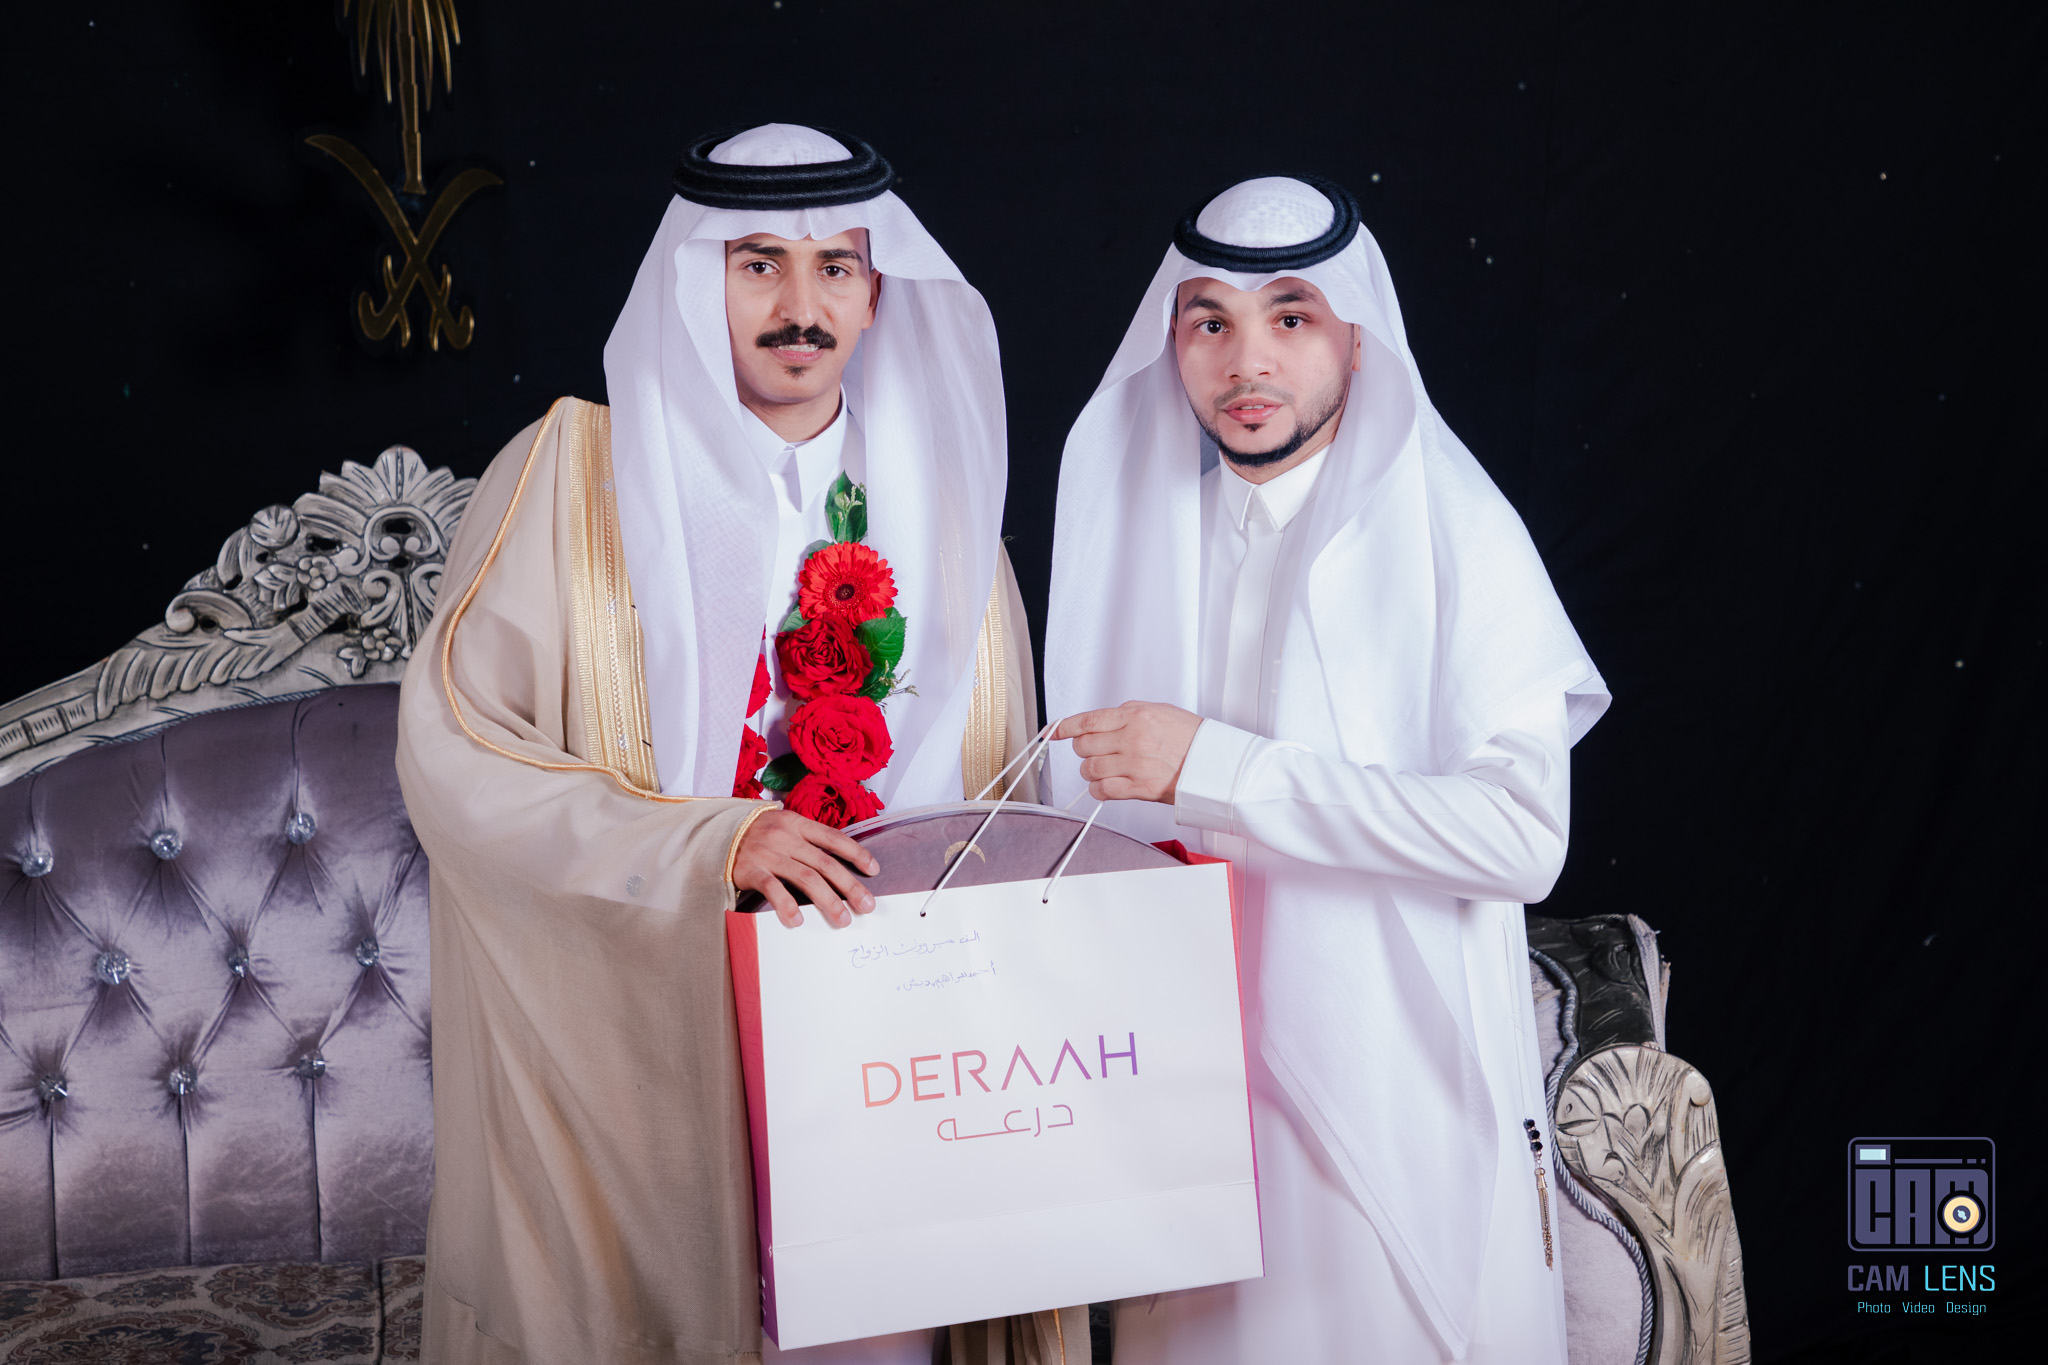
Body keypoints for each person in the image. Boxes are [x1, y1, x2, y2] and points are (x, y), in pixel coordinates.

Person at [397, 124, 1055, 1365]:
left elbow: (1001, 787)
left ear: (875, 293)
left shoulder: (945, 504)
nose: (800, 307)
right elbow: (457, 751)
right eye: (759, 265)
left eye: (835, 268)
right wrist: (712, 843)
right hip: (645, 1023)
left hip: (887, 1039)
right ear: (696, 281)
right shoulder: (570, 477)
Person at [1044, 175, 1610, 1364]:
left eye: (1289, 317)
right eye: (1209, 321)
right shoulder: (1146, 540)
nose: (1245, 359)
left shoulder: (1451, 528)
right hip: (1182, 1111)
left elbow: (1520, 837)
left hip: (1390, 1103)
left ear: (1355, 336)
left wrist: (1213, 766)